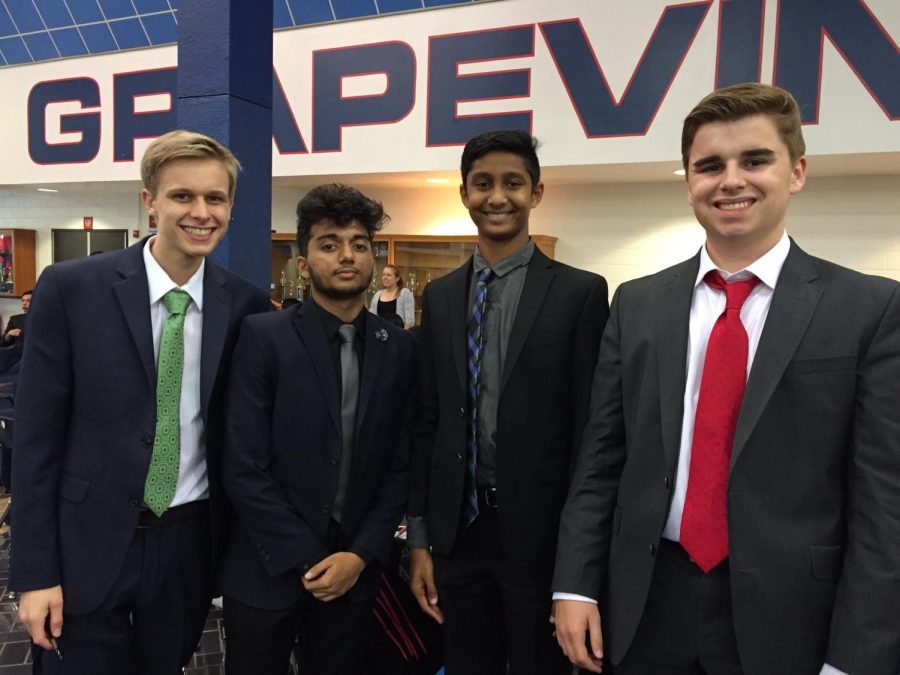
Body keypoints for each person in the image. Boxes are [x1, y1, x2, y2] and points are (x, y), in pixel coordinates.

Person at [552, 83, 900, 675]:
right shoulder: (637, 304)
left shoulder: (869, 309)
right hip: (645, 600)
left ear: (797, 172)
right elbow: (601, 460)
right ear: (689, 181)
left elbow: (884, 504)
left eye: (755, 160)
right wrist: (575, 586)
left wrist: (857, 656)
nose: (730, 180)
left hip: (793, 617)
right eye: (709, 165)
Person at [9, 130, 271, 673]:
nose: (201, 213)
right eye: (183, 196)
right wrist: (33, 571)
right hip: (86, 543)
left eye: (215, 198)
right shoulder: (71, 288)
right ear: (149, 201)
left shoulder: (246, 305)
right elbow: (36, 439)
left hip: (189, 545)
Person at [407, 129, 609, 674]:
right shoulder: (442, 297)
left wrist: (579, 560)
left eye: (513, 183)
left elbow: (592, 433)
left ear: (536, 193)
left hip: (540, 538)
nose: (497, 197)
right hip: (458, 534)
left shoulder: (580, 293)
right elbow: (428, 423)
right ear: (464, 193)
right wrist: (420, 540)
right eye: (483, 184)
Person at [219, 183, 417, 675]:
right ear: (303, 264)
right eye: (329, 244)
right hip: (268, 566)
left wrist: (360, 554)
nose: (346, 256)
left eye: (358, 244)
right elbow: (243, 465)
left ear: (373, 259)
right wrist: (309, 556)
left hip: (355, 572)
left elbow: (400, 463)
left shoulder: (399, 348)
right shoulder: (263, 337)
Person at [369, 264, 415, 328]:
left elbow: (409, 321)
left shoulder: (405, 293)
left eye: (388, 275)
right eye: (383, 275)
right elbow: (372, 318)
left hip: (398, 335)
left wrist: (401, 336)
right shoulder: (377, 295)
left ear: (397, 278)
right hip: (380, 335)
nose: (385, 277)